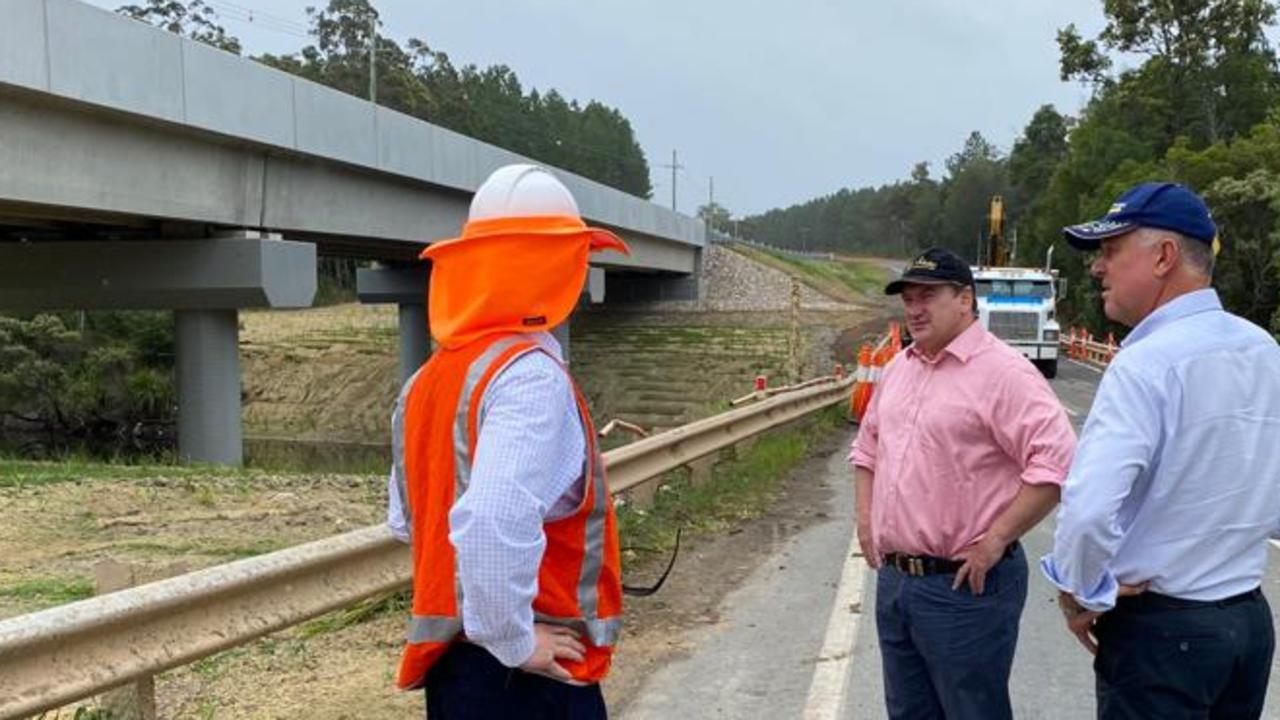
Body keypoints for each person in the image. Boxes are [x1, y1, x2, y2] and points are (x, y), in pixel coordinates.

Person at [385, 164, 628, 719]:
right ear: (554, 263)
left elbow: (408, 520)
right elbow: (492, 518)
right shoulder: (529, 376)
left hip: (454, 669)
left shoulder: (429, 380)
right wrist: (515, 641)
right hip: (526, 681)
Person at [1041, 182, 1280, 719]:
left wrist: (1082, 593)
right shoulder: (1264, 351)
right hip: (1246, 625)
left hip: (1163, 635)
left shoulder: (1145, 363)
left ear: (1164, 256)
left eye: (1110, 250)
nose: (1098, 268)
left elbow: (1089, 509)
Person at [849, 247, 1076, 720]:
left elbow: (1056, 461)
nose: (914, 307)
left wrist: (995, 540)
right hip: (896, 583)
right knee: (908, 711)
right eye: (908, 296)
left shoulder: (1004, 373)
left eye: (928, 295)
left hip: (964, 586)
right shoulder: (899, 369)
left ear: (965, 300)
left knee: (972, 710)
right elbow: (867, 450)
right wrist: (866, 521)